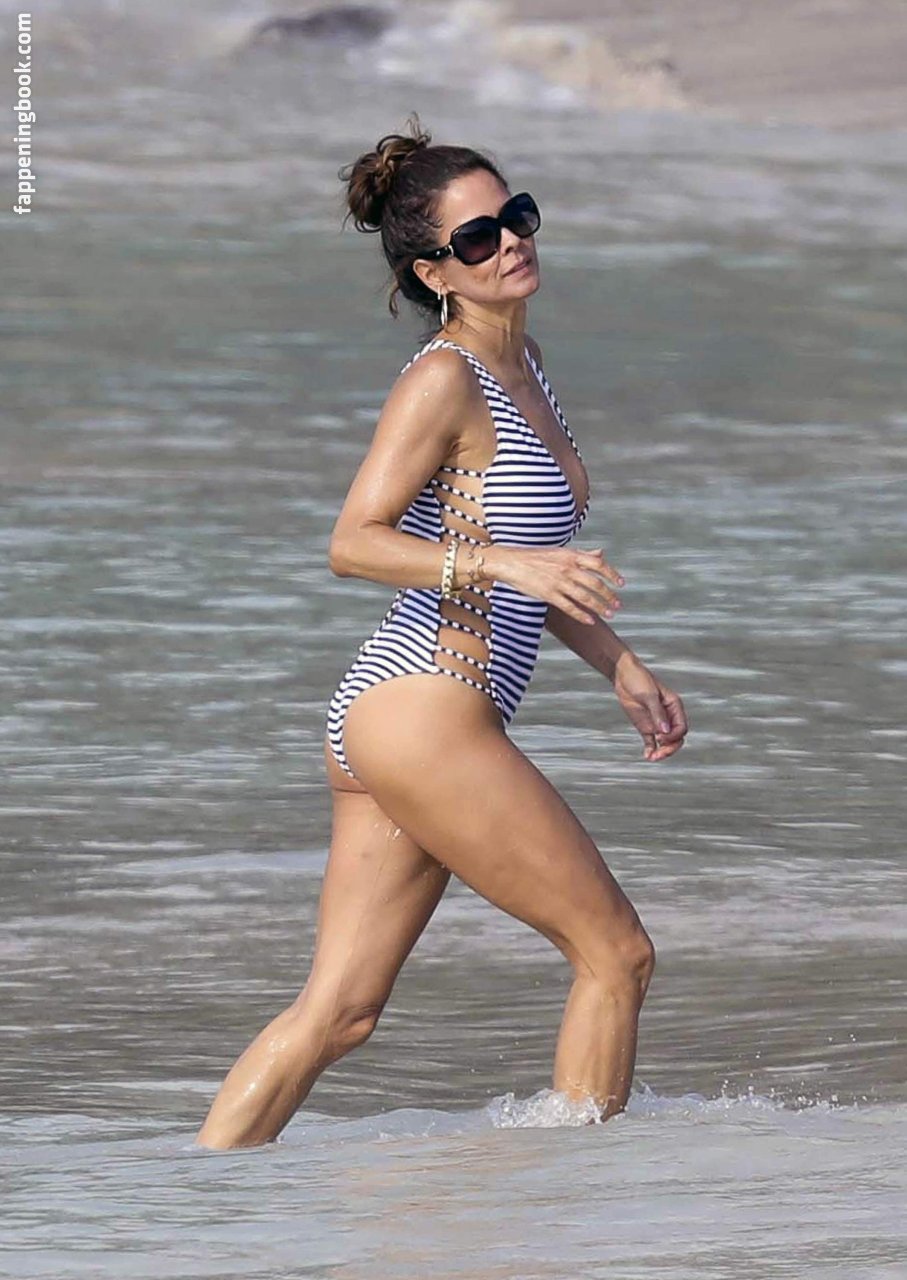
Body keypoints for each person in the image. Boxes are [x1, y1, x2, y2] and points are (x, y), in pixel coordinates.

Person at [196, 113, 688, 1150]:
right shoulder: (442, 377)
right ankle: (579, 1202)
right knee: (615, 954)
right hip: (423, 708)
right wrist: (506, 564)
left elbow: (524, 560)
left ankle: (193, 1204)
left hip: (400, 718)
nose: (510, 242)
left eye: (516, 216)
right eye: (477, 237)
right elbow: (354, 542)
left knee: (340, 1014)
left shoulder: (525, 364)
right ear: (433, 273)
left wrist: (618, 663)